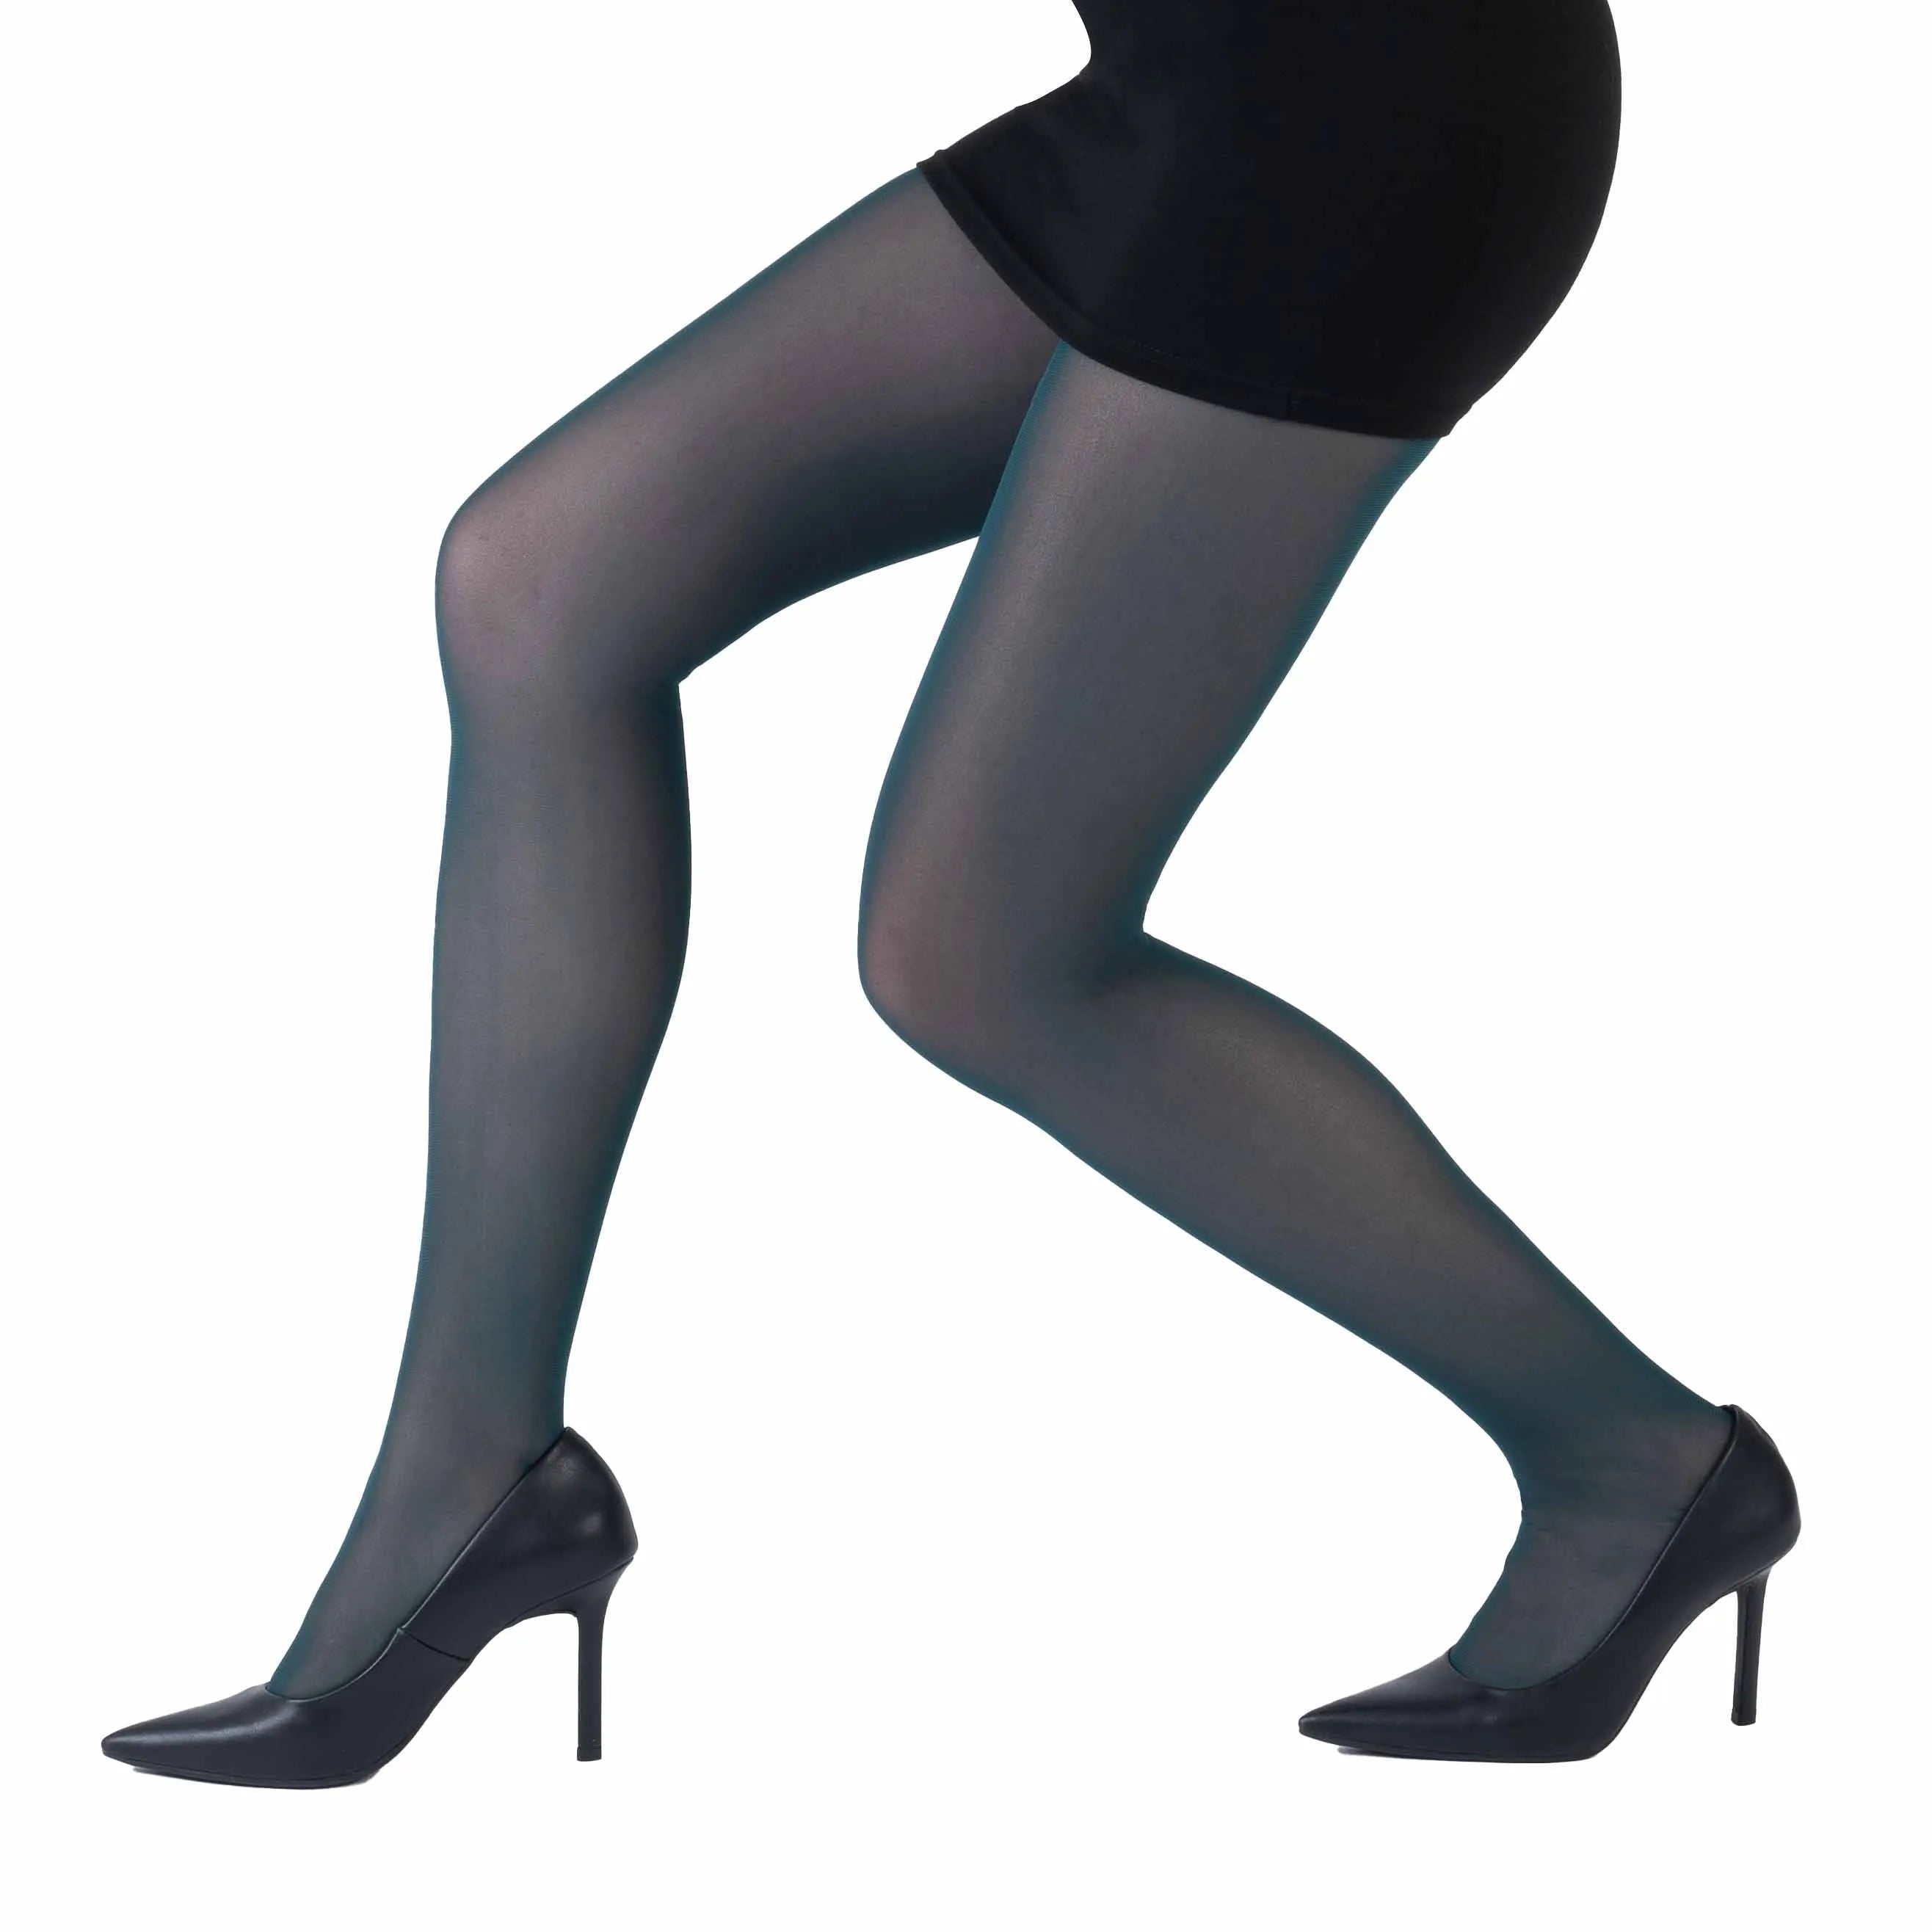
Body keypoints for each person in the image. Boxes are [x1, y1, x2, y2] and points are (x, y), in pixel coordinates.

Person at [101, 0, 1798, 1784]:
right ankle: (472, 1476)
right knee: (542, 583)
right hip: (1194, 97)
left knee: (981, 951)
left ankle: (1632, 1461)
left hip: (1370, 111)